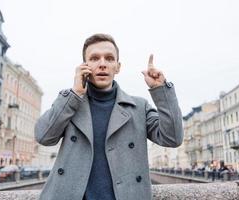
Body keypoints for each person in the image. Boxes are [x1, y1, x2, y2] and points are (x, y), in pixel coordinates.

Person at [34, 33, 184, 200]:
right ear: (85, 66)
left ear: (118, 67)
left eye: (109, 58)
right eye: (94, 58)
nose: (102, 64)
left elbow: (173, 138)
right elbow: (43, 136)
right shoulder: (71, 103)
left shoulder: (139, 108)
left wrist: (161, 90)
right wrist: (75, 94)